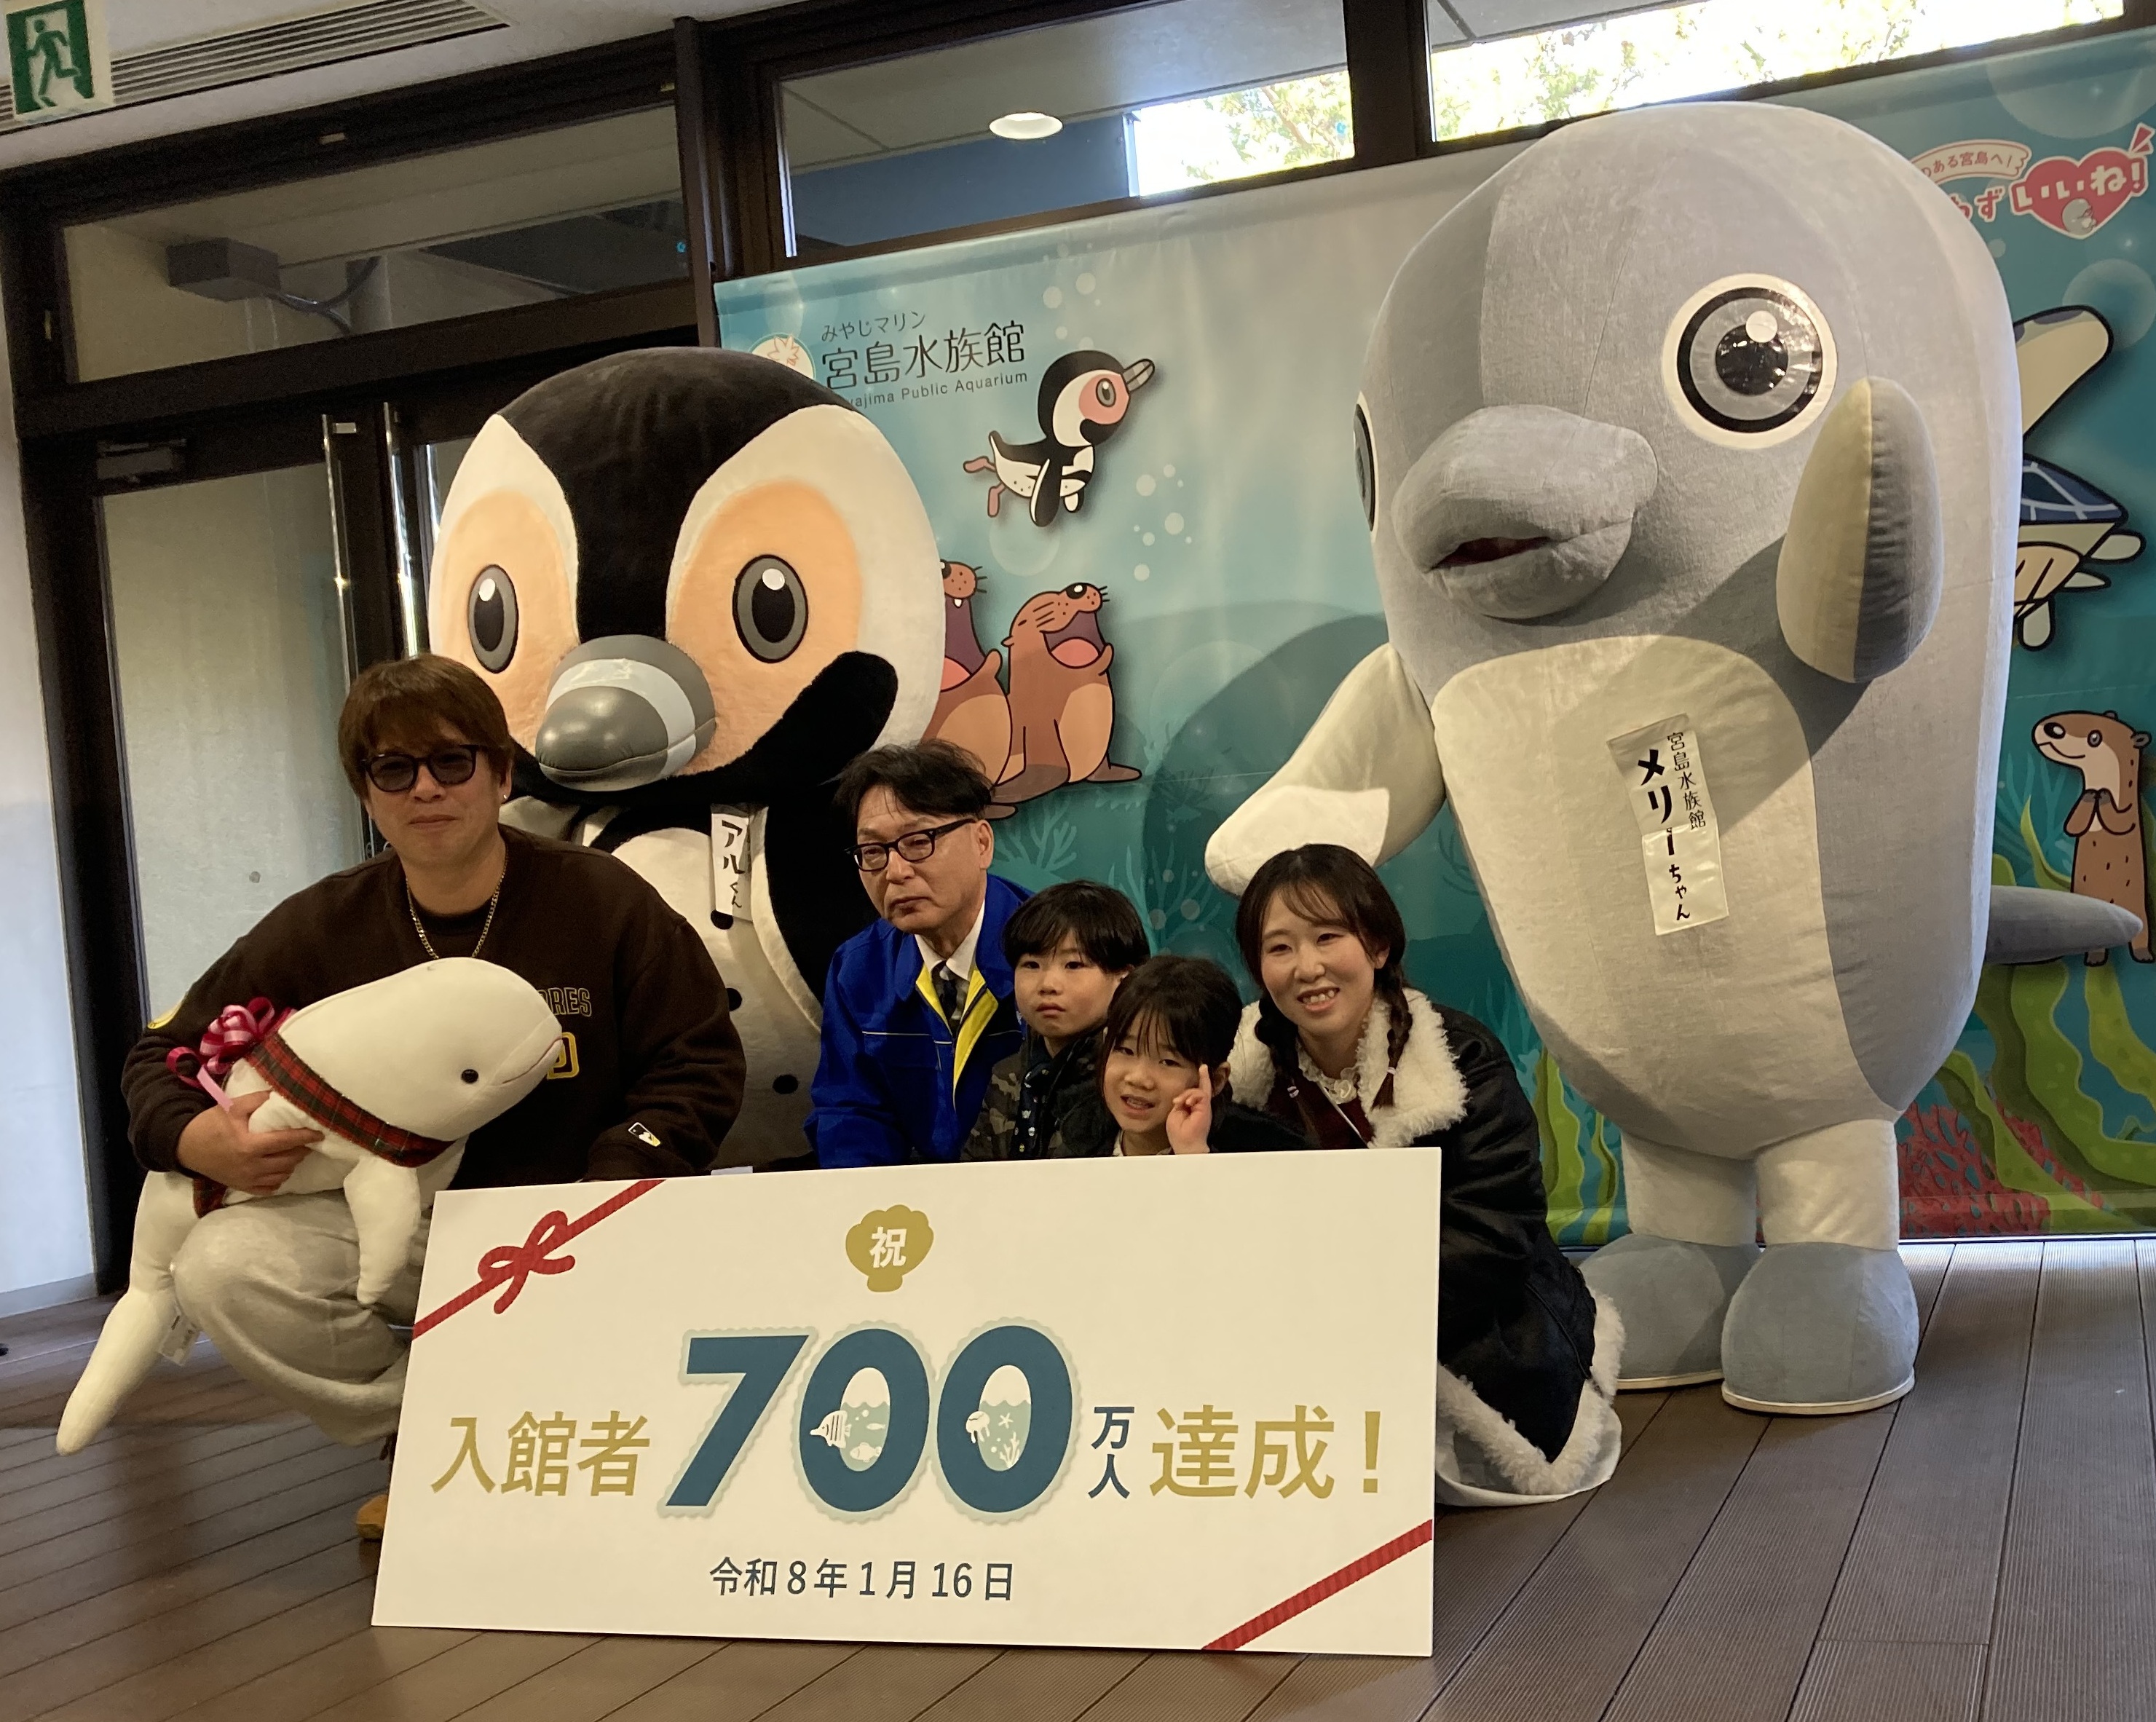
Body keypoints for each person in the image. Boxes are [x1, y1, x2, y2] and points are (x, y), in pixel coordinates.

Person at [122, 655, 744, 1536]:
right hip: (402, 1231)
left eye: (452, 761)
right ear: (366, 792)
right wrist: (195, 1139)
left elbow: (699, 1062)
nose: (426, 788)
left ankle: (544, 1420)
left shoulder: (604, 901)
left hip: (576, 1220)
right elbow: (164, 1051)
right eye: (393, 769)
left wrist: (614, 1180)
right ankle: (435, 1426)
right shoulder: (320, 924)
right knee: (220, 1268)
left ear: (501, 775)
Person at [1227, 844, 1622, 1507]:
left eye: (1328, 936)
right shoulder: (1240, 1079)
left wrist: (1361, 1307)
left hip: (1467, 1321)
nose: (1307, 966)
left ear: (1377, 945)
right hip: (1309, 1324)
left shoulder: (1460, 1059)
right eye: (1280, 947)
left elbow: (1496, 1229)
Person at [807, 742, 1028, 1165]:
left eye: (918, 841)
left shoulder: (1059, 952)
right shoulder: (858, 968)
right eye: (874, 852)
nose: (895, 872)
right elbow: (850, 1110)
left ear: (982, 843)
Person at [963, 882, 1148, 1161]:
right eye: (1031, 965)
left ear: (1125, 978)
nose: (1048, 985)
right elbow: (972, 1177)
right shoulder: (1009, 1074)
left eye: (1073, 965)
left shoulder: (1133, 1083)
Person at [1097, 956, 1307, 1157]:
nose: (1138, 1078)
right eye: (1125, 1050)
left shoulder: (1267, 1154)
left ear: (1216, 1080)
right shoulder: (1078, 1133)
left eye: (1168, 1062)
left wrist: (1193, 1154)